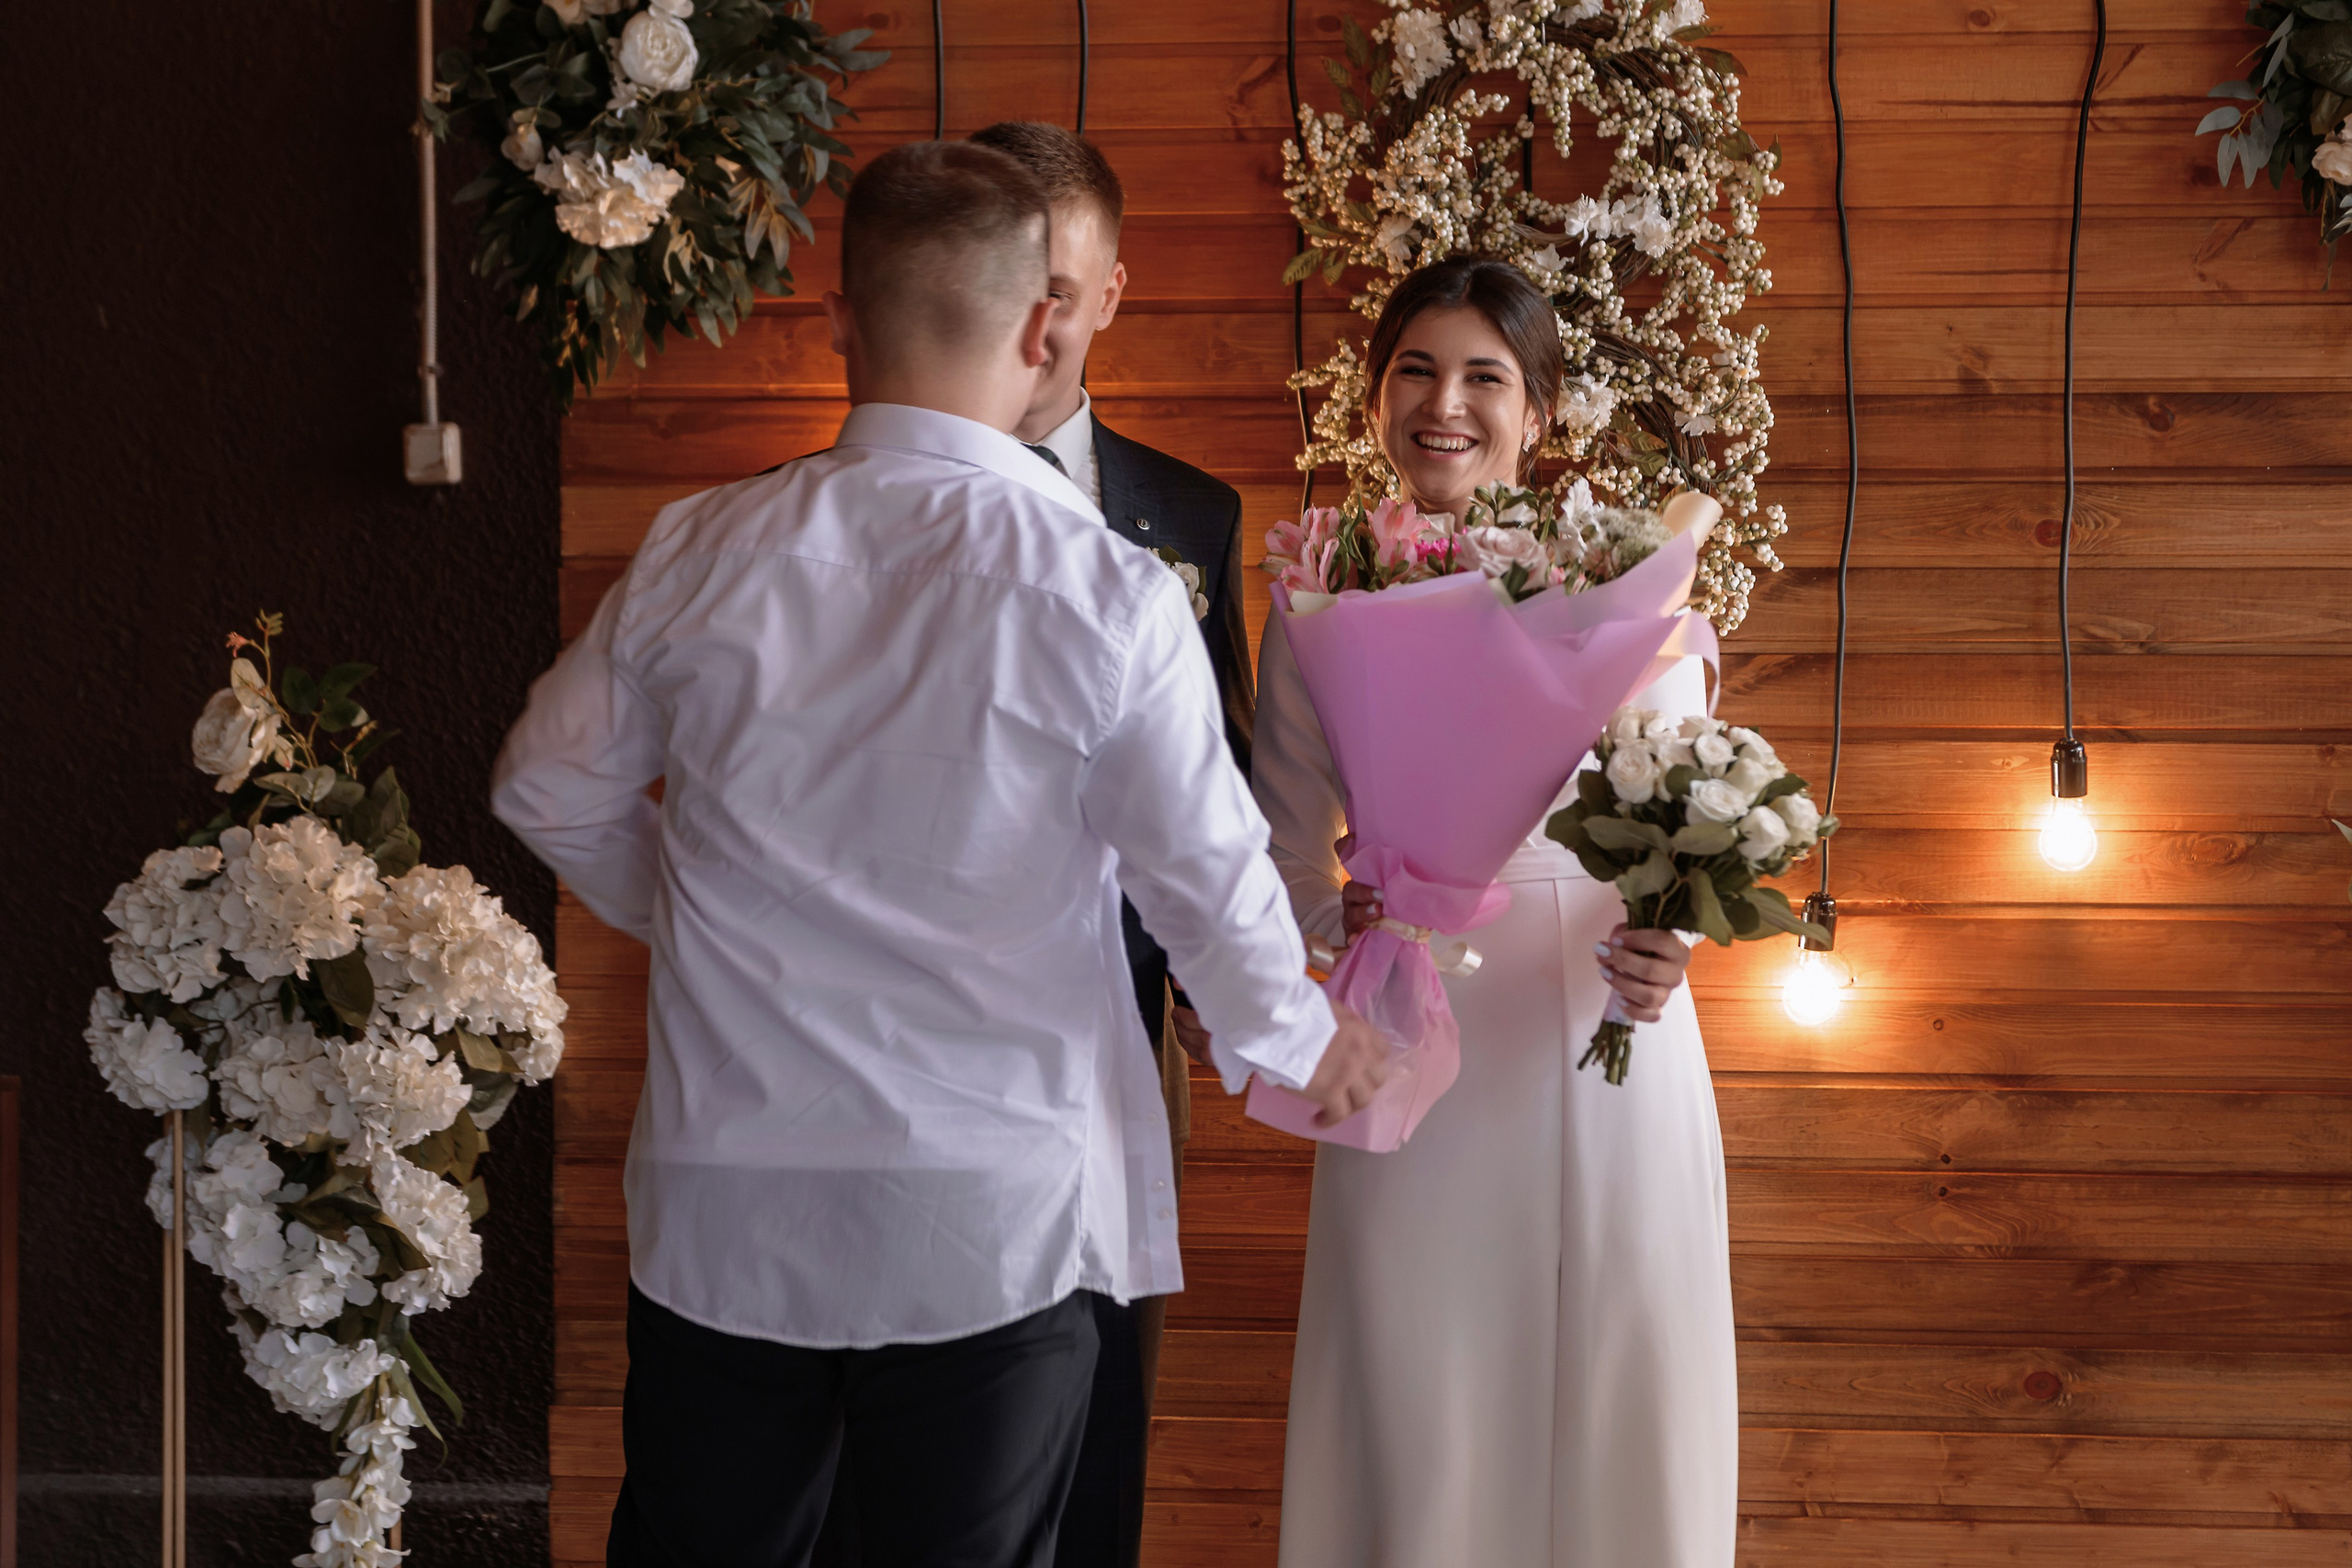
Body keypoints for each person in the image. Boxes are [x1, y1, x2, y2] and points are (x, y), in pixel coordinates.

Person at [489, 139, 1389, 1568]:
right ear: (1045, 328)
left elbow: (546, 787)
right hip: (989, 1213)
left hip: (730, 1195)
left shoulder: (696, 547)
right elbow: (1202, 879)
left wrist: (703, 910)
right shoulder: (1105, 590)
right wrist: (1295, 1039)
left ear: (840, 319)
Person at [1251, 257, 1737, 1567]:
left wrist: (1669, 943)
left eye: (1485, 376)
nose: (1445, 404)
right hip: (1415, 1023)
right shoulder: (1319, 593)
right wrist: (1318, 960)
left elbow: (1684, 812)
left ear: (1542, 408)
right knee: (1424, 1386)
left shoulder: (1625, 578)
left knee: (1616, 1362)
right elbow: (1285, 848)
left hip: (1593, 1020)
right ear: (1376, 396)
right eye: (1415, 369)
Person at [960, 117, 1256, 1568]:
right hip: (927, 1040)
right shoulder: (854, 514)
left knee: (1095, 1389)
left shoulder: (1190, 516)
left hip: (1124, 1037)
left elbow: (1231, 775)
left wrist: (1232, 993)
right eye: (1017, 285)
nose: (1041, 323)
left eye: (1066, 287)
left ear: (1114, 292)